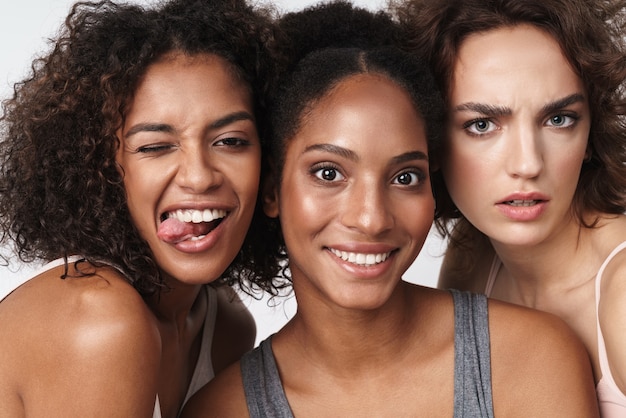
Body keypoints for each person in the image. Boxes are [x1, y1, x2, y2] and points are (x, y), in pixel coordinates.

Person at [180, 2, 599, 417]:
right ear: (271, 189)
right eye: (329, 173)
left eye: (404, 177)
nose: (371, 218)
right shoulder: (222, 409)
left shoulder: (533, 359)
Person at [0, 0, 282, 416]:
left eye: (230, 141)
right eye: (155, 146)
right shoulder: (98, 320)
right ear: (101, 167)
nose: (200, 176)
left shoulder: (225, 324)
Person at [391, 0, 626, 415]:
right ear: (431, 140)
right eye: (481, 125)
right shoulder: (473, 254)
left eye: (559, 119)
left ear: (592, 130)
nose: (527, 164)